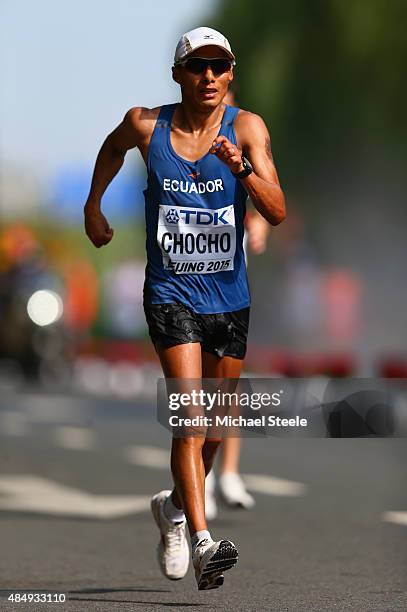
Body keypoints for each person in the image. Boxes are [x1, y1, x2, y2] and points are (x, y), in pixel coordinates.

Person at [84, 26, 285, 591]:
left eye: (219, 67)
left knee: (217, 430)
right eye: (198, 67)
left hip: (230, 298)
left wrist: (241, 167)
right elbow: (111, 148)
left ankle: (172, 508)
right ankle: (202, 542)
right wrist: (92, 205)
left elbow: (277, 210)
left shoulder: (247, 129)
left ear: (230, 73)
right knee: (190, 418)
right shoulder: (147, 125)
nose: (209, 78)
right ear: (178, 74)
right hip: (171, 294)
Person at [204, 87, 270, 520]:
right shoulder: (178, 134)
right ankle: (201, 483)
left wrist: (260, 225)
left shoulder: (245, 127)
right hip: (184, 285)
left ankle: (228, 472)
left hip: (229, 282)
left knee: (229, 385)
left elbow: (266, 188)